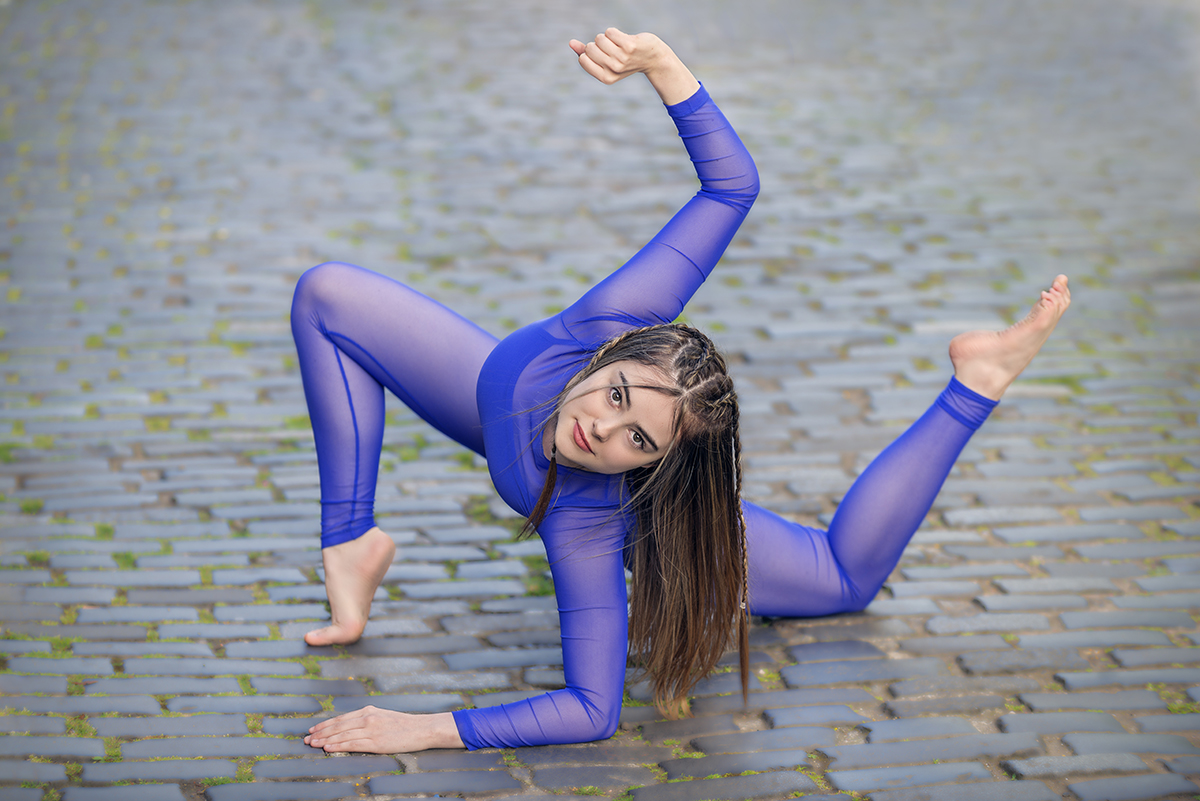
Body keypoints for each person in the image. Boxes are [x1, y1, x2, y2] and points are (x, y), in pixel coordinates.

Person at [291, 28, 1072, 754]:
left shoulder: (589, 518)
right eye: (618, 395)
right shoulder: (605, 320)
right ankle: (353, 540)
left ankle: (976, 380)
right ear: (608, 353)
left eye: (638, 439)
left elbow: (591, 708)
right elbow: (732, 187)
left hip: (604, 493)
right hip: (498, 400)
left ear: (654, 464)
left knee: (844, 577)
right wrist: (663, 65)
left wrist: (428, 727)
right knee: (328, 297)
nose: (603, 427)